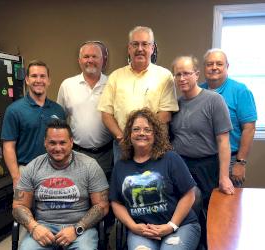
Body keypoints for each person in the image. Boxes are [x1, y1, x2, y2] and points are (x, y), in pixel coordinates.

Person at [110, 108, 201, 250]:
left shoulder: (171, 158)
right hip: (142, 231)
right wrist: (132, 226)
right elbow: (116, 203)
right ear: (129, 134)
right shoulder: (121, 166)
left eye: (147, 130)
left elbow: (189, 195)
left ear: (155, 134)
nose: (141, 133)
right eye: (136, 129)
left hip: (180, 226)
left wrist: (171, 226)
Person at [12, 119, 109, 250]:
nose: (58, 148)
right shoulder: (32, 167)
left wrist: (76, 229)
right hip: (43, 228)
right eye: (52, 143)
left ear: (71, 142)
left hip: (80, 229)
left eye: (62, 142)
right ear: (45, 143)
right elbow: (19, 206)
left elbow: (102, 206)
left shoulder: (90, 166)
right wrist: (34, 227)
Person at [98, 26, 179, 164]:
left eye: (145, 44)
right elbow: (106, 114)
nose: (140, 48)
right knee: (125, 184)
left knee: (153, 184)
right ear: (129, 48)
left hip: (154, 146)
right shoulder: (116, 76)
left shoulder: (164, 76)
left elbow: (165, 114)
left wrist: (145, 137)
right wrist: (122, 138)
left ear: (152, 48)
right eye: (135, 44)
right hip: (123, 146)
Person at [170, 56, 234, 211]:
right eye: (178, 74)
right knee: (185, 210)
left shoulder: (214, 100)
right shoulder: (175, 104)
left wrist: (224, 177)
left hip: (207, 166)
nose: (182, 78)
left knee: (208, 211)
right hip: (181, 165)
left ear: (197, 75)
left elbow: (223, 141)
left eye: (186, 73)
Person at [1, 60, 66, 187]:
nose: (38, 80)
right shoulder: (14, 110)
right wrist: (16, 177)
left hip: (56, 171)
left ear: (48, 80)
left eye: (42, 76)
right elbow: (8, 147)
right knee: (25, 207)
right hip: (26, 171)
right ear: (27, 79)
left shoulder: (58, 110)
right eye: (34, 76)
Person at [201, 48, 257, 187]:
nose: (214, 67)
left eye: (219, 64)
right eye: (210, 64)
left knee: (226, 205)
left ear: (227, 66)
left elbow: (249, 128)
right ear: (204, 67)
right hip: (203, 160)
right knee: (201, 203)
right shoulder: (198, 91)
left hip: (231, 159)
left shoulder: (240, 90)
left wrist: (240, 163)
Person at [57, 41, 113, 179]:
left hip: (106, 154)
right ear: (79, 60)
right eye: (86, 56)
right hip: (77, 153)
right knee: (80, 195)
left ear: (103, 60)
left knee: (103, 196)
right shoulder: (67, 85)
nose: (90, 60)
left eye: (95, 56)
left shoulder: (112, 83)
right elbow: (59, 121)